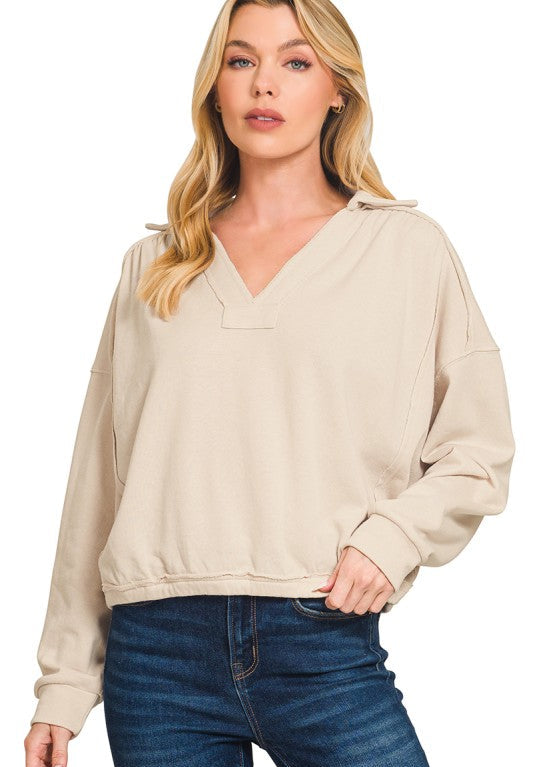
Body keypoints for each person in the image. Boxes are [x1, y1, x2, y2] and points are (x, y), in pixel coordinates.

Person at [25, 1, 516, 765]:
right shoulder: (153, 266)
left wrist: (392, 540)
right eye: (240, 60)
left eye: (294, 61)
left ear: (337, 91)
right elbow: (98, 483)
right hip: (154, 658)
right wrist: (63, 681)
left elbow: (477, 449)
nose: (263, 84)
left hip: (320, 632)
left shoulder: (406, 252)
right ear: (215, 89)